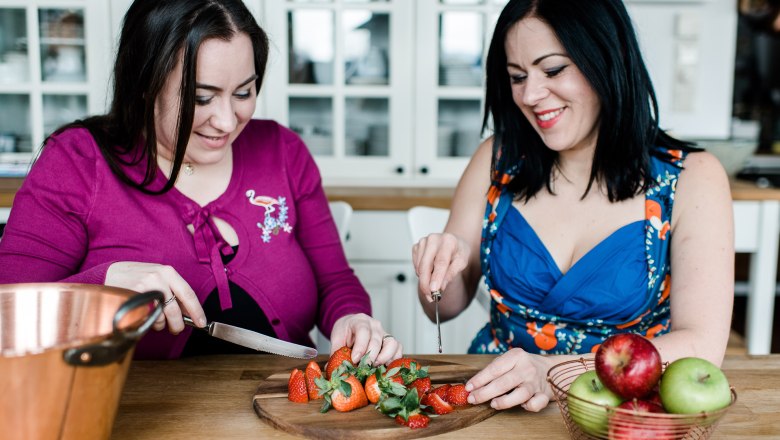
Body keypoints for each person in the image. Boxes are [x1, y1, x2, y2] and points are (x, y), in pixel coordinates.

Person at [0, 0, 402, 365]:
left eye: (243, 92)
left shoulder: (283, 151)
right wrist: (100, 285)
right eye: (200, 98)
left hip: (285, 409)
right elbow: (8, 316)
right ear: (144, 86)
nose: (227, 121)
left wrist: (353, 317)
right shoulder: (76, 162)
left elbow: (334, 280)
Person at [412, 0, 734, 412]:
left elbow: (702, 345)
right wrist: (439, 272)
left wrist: (549, 371)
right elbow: (447, 306)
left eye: (552, 70)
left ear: (608, 58)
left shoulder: (692, 178)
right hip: (496, 406)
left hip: (623, 414)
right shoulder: (496, 159)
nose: (530, 95)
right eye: (516, 76)